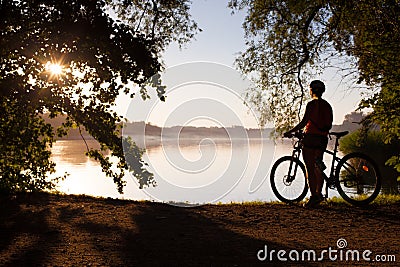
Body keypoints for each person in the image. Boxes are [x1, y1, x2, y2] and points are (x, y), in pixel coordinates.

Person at [284, 80, 333, 208]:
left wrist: (290, 131)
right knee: (319, 167)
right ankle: (319, 193)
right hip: (323, 139)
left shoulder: (311, 104)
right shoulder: (327, 106)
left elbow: (304, 122)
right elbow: (329, 124)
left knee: (310, 168)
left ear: (311, 90)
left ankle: (313, 197)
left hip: (311, 138)